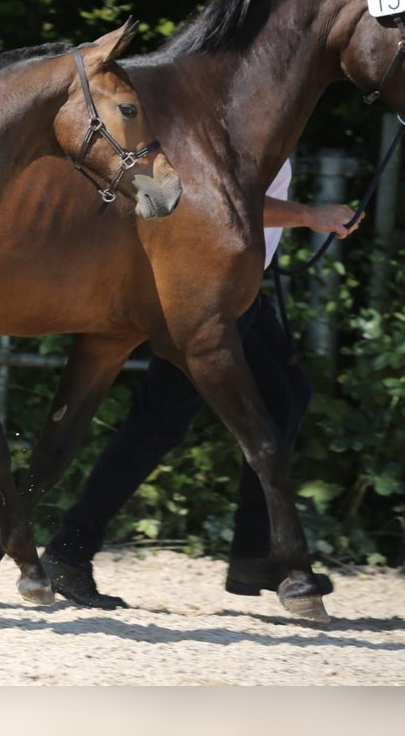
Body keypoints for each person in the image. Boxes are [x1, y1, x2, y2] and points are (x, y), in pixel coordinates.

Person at [42, 159, 364, 608]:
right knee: (161, 420)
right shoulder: (238, 100)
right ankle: (69, 548)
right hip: (205, 290)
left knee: (285, 395)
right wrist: (310, 215)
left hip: (240, 289)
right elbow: (221, 202)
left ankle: (255, 554)